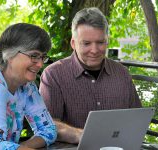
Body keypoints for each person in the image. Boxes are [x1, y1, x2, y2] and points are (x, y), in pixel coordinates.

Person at [39, 7, 141, 144]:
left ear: (107, 41)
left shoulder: (122, 73)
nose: (94, 50)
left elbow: (137, 117)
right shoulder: (53, 75)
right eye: (86, 43)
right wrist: (82, 135)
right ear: (73, 43)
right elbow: (47, 125)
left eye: (100, 42)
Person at [0, 23, 57, 150]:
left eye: (42, 57)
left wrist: (23, 147)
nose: (40, 64)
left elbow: (49, 130)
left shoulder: (27, 86)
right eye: (34, 56)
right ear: (9, 55)